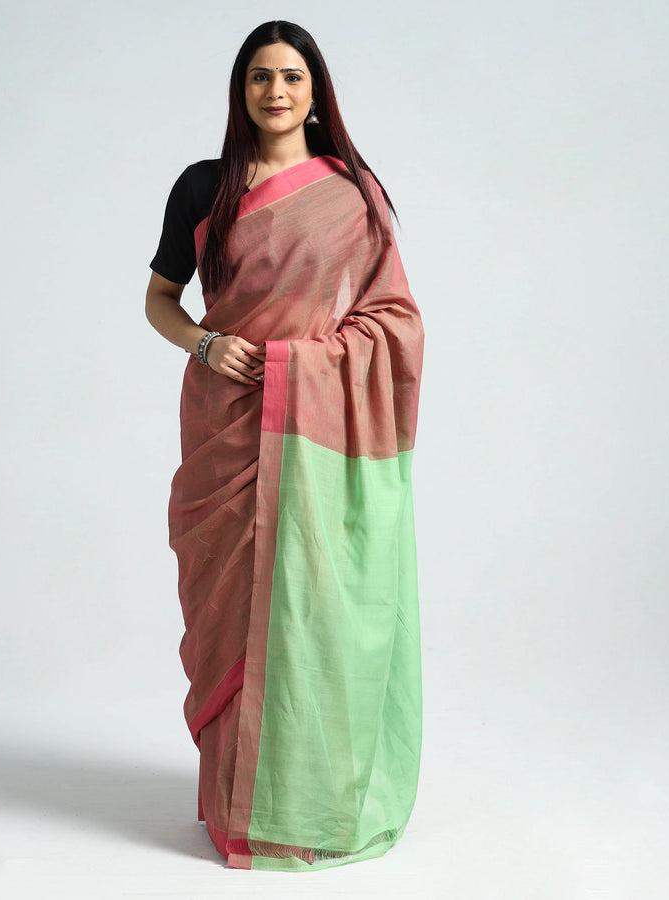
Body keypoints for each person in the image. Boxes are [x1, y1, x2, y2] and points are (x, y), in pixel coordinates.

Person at [145, 20, 424, 871]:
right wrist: (204, 344)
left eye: (292, 77)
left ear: (315, 91)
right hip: (227, 428)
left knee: (313, 611)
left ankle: (303, 808)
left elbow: (392, 320)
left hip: (315, 431)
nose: (276, 92)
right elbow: (160, 300)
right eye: (260, 77)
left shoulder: (352, 190)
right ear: (242, 91)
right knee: (232, 615)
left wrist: (304, 367)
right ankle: (236, 809)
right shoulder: (203, 187)